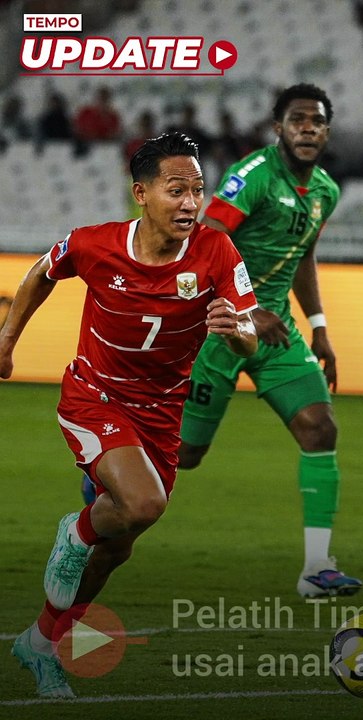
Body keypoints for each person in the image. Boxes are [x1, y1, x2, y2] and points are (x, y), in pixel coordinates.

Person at [2, 132, 259, 697]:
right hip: (95, 397)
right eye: (176, 190)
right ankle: (74, 531)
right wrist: (7, 337)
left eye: (197, 190)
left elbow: (250, 332)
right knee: (143, 503)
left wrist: (237, 332)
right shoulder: (94, 245)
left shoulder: (217, 251)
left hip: (161, 415)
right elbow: (42, 272)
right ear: (141, 193)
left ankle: (41, 645)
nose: (191, 202)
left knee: (118, 545)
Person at [176, 84, 361, 598]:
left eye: (317, 121)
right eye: (297, 119)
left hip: (275, 327)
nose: (307, 128)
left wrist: (319, 324)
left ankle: (317, 569)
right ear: (277, 127)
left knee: (320, 429)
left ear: (326, 131)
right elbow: (203, 243)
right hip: (218, 325)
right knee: (186, 456)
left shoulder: (325, 190)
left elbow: (304, 256)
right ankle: (108, 478)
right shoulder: (252, 177)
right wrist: (244, 307)